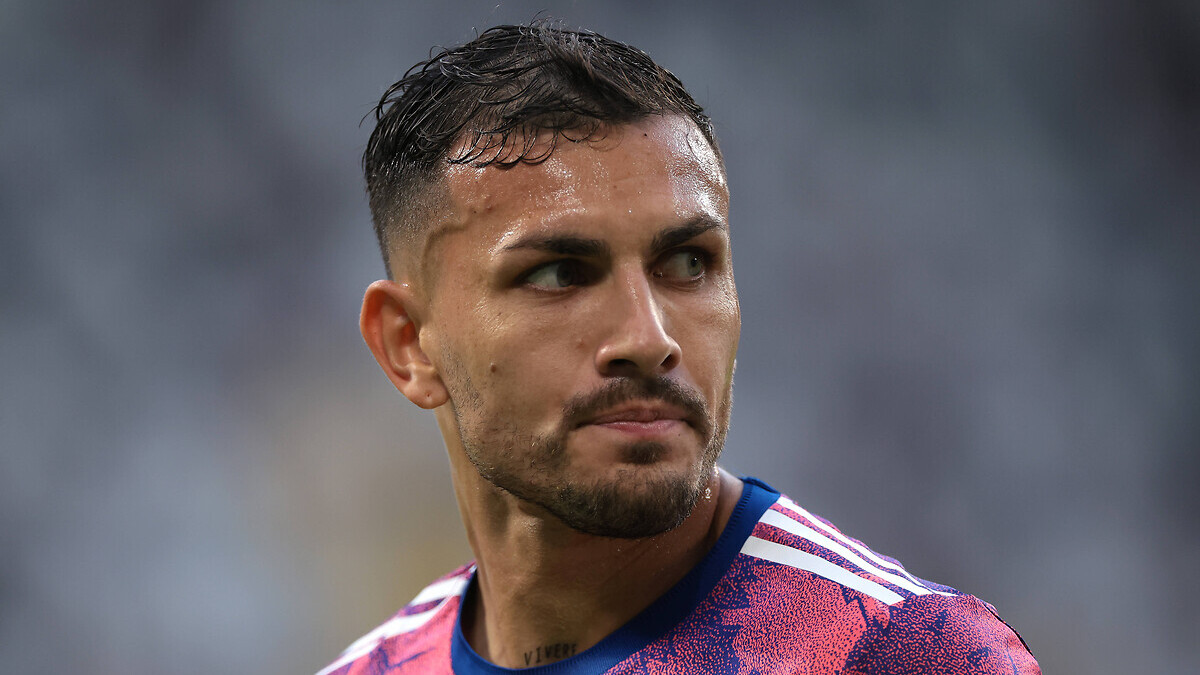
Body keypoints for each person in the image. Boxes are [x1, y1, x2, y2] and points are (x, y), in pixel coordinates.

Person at [319, 21, 1040, 675]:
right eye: (560, 274)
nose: (648, 338)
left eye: (688, 263)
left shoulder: (905, 654)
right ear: (408, 344)